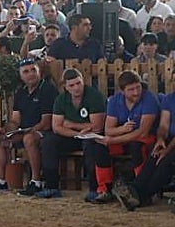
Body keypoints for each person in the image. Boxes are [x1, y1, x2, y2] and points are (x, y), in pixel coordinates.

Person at [0, 57, 57, 195]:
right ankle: (0, 180)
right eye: (26, 71)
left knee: (29, 139)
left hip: (45, 132)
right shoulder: (20, 92)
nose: (31, 74)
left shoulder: (47, 89)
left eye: (33, 70)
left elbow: (46, 122)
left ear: (39, 71)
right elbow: (15, 120)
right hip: (23, 132)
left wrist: (27, 132)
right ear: (21, 76)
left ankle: (36, 181)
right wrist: (5, 129)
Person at [34, 68, 107, 200]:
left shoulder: (94, 96)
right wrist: (76, 133)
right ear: (65, 87)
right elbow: (56, 127)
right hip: (73, 136)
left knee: (91, 145)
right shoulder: (61, 99)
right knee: (48, 141)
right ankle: (52, 187)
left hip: (91, 136)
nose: (76, 88)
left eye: (78, 83)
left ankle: (94, 189)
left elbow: (97, 126)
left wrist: (72, 125)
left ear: (83, 81)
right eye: (72, 85)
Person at [97, 69, 160, 206]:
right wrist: (122, 129)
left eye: (138, 87)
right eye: (131, 90)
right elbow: (108, 130)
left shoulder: (149, 99)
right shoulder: (114, 101)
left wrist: (113, 139)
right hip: (124, 135)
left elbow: (143, 132)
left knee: (137, 147)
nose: (136, 92)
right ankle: (104, 189)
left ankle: (140, 189)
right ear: (122, 91)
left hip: (144, 137)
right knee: (100, 147)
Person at [117, 89, 175, 211]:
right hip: (170, 139)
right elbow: (163, 125)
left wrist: (168, 150)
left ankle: (141, 196)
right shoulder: (169, 99)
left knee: (166, 162)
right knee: (154, 155)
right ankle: (134, 191)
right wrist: (160, 140)